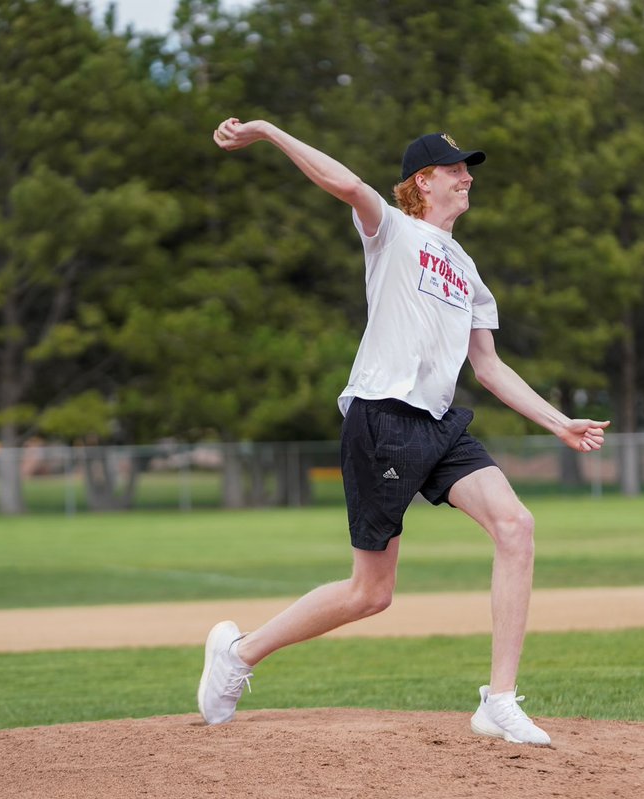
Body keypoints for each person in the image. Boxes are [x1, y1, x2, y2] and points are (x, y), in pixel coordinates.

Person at [200, 117, 610, 745]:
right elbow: (347, 183)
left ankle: (498, 700)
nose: (467, 177)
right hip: (382, 416)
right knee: (371, 593)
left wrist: (559, 423)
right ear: (422, 181)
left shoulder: (468, 271)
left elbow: (488, 365)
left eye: (466, 169)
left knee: (516, 524)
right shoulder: (392, 232)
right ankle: (239, 654)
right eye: (455, 169)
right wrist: (268, 132)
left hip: (440, 422)